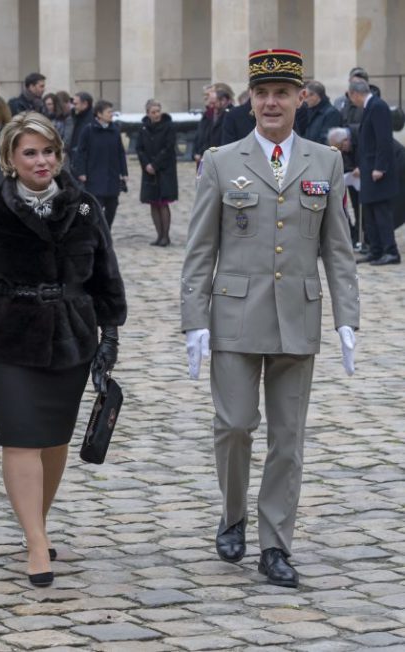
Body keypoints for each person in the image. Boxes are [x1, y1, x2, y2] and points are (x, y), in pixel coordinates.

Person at [181, 49, 359, 589]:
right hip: (234, 315)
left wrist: (346, 317)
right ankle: (233, 512)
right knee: (234, 425)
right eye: (263, 93)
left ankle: (275, 543)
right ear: (251, 100)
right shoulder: (221, 161)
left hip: (297, 319)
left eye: (283, 92)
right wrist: (195, 319)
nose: (272, 102)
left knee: (289, 438)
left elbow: (339, 249)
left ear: (300, 98)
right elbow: (199, 248)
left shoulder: (324, 162)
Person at [0, 111, 126, 587]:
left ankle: (34, 521)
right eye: (30, 153)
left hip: (71, 335)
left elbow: (106, 276)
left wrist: (110, 337)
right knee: (20, 436)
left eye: (49, 151)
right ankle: (37, 543)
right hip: (6, 336)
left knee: (54, 439)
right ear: (10, 160)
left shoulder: (85, 208)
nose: (42, 161)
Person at [349, 78, 400, 265]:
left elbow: (384, 140)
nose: (351, 101)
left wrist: (380, 167)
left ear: (355, 93)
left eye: (351, 96)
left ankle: (390, 251)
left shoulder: (378, 106)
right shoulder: (369, 107)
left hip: (378, 172)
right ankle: (376, 249)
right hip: (368, 170)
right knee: (369, 212)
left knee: (381, 213)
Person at [75, 99, 128, 229]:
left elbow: (120, 152)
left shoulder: (115, 130)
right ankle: (82, 228)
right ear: (99, 114)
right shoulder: (88, 130)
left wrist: (124, 172)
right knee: (88, 206)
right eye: (109, 112)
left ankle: (105, 231)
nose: (112, 114)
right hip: (93, 176)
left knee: (112, 206)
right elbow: (80, 152)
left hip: (112, 176)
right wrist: (81, 172)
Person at [136, 99, 178, 246]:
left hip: (164, 170)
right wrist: (147, 164)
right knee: (153, 203)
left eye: (158, 111)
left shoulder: (169, 127)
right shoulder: (143, 128)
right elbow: (139, 148)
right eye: (153, 112)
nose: (156, 114)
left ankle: (166, 236)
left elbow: (169, 147)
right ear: (148, 113)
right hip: (149, 171)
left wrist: (155, 164)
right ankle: (159, 235)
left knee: (163, 203)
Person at [303, 81, 341, 145]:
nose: (305, 100)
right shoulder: (310, 111)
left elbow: (326, 139)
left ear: (315, 96)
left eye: (306, 97)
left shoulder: (332, 113)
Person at [65, 91, 94, 171]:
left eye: (75, 104)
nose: (73, 107)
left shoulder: (91, 120)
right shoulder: (77, 116)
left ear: (85, 104)